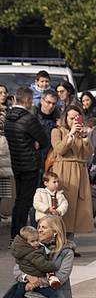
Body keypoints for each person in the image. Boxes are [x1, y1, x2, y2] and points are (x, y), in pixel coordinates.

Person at [6, 87, 50, 238]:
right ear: (27, 100)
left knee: (19, 201)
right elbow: (44, 139)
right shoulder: (28, 118)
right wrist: (36, 144)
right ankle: (21, 235)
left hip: (16, 163)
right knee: (26, 202)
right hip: (30, 163)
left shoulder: (8, 117)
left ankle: (15, 234)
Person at [49, 104, 93, 235]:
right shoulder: (57, 131)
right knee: (65, 205)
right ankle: (61, 241)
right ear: (65, 118)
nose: (74, 121)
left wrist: (85, 137)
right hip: (64, 171)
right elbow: (59, 149)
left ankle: (71, 241)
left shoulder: (81, 133)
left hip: (80, 171)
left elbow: (89, 152)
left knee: (79, 208)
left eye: (76, 118)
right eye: (71, 118)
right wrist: (70, 134)